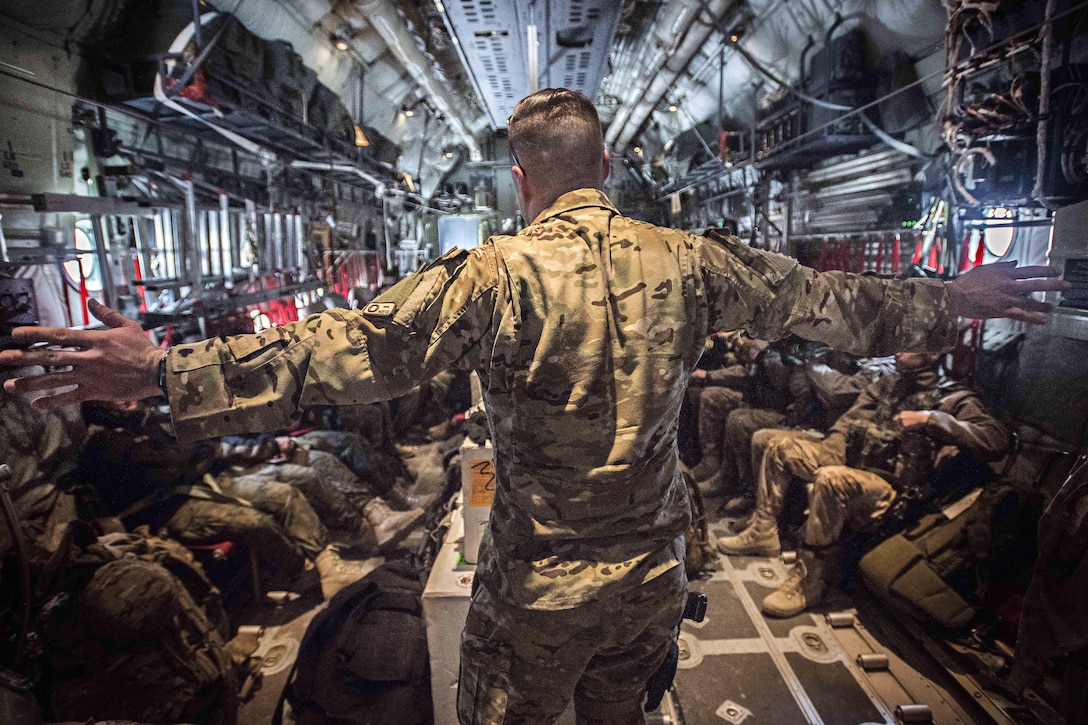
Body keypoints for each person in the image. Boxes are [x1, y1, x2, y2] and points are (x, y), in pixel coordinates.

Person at [0, 88, 1067, 724]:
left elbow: (346, 352)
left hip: (537, 586)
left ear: (521, 179)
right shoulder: (691, 261)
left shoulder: (491, 275)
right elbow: (832, 304)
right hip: (652, 574)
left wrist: (164, 371)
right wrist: (950, 297)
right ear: (607, 164)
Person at [717, 351, 1011, 618]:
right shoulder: (889, 384)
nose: (899, 351)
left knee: (831, 480)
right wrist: (834, 448)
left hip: (893, 491)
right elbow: (848, 421)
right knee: (781, 447)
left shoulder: (954, 398)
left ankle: (810, 580)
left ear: (932, 353)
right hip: (857, 466)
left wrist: (933, 419)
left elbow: (997, 441)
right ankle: (764, 530)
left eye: (909, 346)